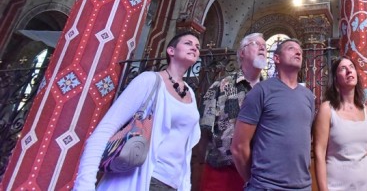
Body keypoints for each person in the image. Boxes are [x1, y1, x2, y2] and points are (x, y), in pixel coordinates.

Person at [74, 33, 201, 190]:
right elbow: (105, 129)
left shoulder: (191, 94)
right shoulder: (149, 81)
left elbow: (185, 147)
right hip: (145, 178)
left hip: (172, 183)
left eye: (197, 46)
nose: (194, 48)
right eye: (188, 43)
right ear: (171, 51)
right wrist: (85, 184)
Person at [231, 38, 315, 191]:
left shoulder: (308, 96)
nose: (298, 52)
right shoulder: (261, 91)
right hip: (266, 186)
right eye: (291, 48)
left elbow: (305, 138)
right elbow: (239, 146)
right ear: (276, 58)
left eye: (300, 51)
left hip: (302, 186)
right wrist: (255, 182)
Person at [199, 33, 267, 191]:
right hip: (222, 173)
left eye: (264, 45)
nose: (263, 47)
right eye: (256, 44)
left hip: (260, 174)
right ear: (242, 52)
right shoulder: (221, 85)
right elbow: (204, 130)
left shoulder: (269, 91)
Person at [313, 56, 367, 191]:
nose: (349, 71)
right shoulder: (327, 109)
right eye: (343, 69)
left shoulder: (365, 111)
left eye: (351, 67)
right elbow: (319, 153)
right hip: (337, 187)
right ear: (336, 79)